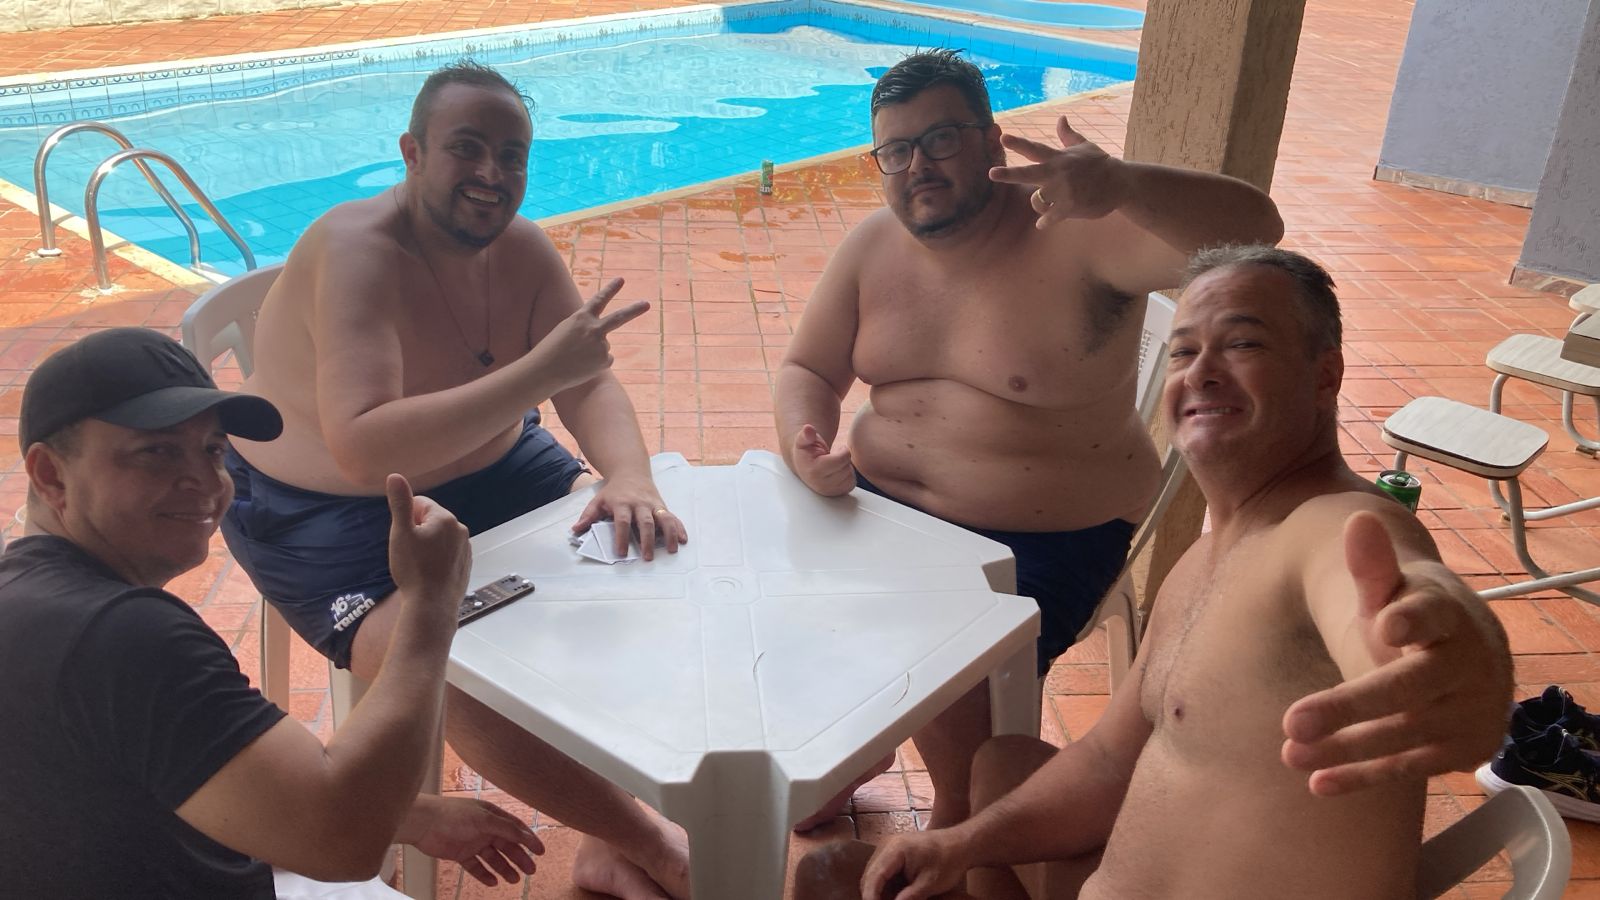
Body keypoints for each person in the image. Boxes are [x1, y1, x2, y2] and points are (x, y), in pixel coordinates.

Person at [792, 246, 1515, 900]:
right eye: (1185, 350)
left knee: (830, 879)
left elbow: (1395, 601)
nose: (1202, 371)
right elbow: (1110, 761)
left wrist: (1452, 661)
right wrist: (960, 844)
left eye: (1243, 343)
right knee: (1000, 764)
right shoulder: (1206, 559)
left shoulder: (1330, 525)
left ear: (1325, 374)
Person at [775, 47, 1287, 828]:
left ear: (991, 141)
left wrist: (1125, 184)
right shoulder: (872, 247)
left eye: (940, 139)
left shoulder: (1081, 235)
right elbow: (807, 367)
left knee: (948, 698)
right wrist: (804, 441)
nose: (918, 166)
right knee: (772, 614)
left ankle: (961, 820)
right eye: (896, 150)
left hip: (1036, 541)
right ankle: (862, 741)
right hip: (878, 514)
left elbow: (1257, 234)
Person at [219, 62, 691, 899]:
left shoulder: (524, 249)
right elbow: (365, 448)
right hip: (330, 513)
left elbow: (585, 381)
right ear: (412, 152)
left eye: (511, 156)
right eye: (466, 149)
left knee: (643, 563)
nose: (491, 174)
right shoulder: (356, 250)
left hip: (500, 469)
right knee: (453, 666)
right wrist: (538, 371)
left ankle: (604, 840)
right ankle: (644, 840)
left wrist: (629, 474)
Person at [0, 327, 543, 898]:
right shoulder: (124, 634)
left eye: (213, 450)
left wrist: (415, 817)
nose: (206, 482)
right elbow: (343, 842)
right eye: (156, 452)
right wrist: (428, 605)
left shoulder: (33, 606)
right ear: (51, 474)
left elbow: (168, 771)